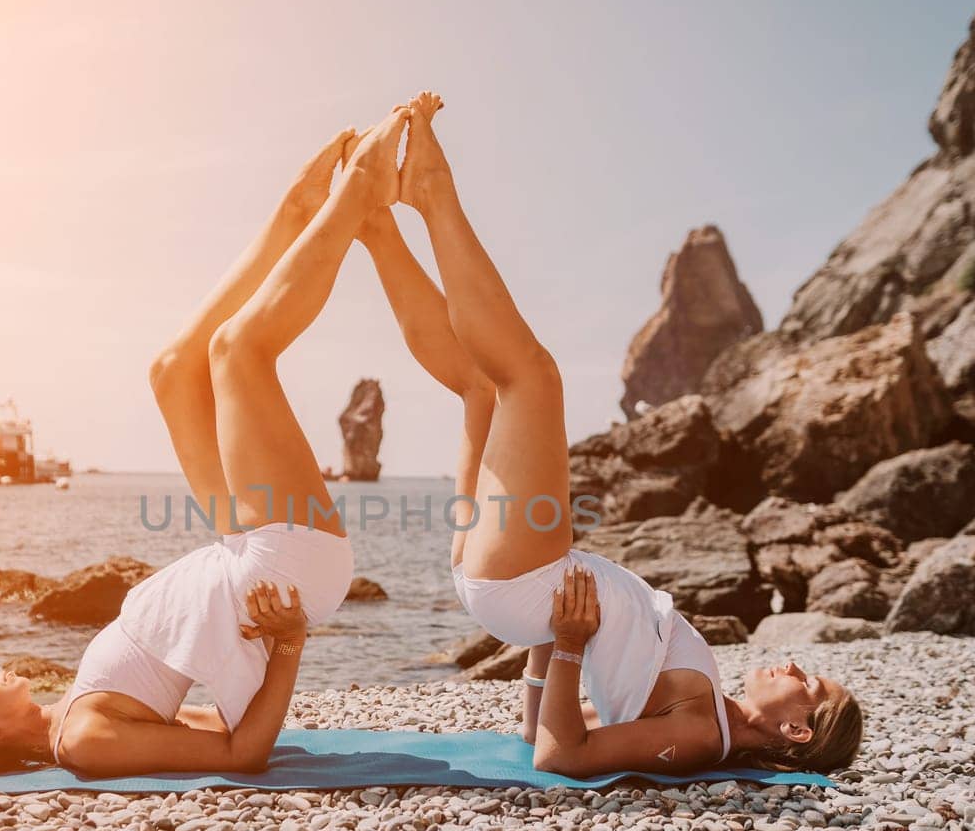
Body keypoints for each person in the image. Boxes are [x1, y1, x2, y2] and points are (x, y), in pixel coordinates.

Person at [0, 106, 413, 785]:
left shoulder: (72, 711)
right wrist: (288, 643)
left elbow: (210, 725)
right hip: (282, 568)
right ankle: (357, 198)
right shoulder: (85, 740)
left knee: (173, 371)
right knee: (237, 353)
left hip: (241, 552)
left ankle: (296, 213)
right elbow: (243, 754)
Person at [356, 91, 862, 778]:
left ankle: (432, 193)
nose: (799, 665)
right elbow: (541, 725)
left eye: (813, 684)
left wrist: (564, 639)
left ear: (798, 730)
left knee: (532, 378)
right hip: (524, 589)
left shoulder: (701, 736)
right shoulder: (708, 706)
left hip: (526, 580)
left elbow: (560, 755)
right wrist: (544, 643)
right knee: (481, 386)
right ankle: (376, 227)